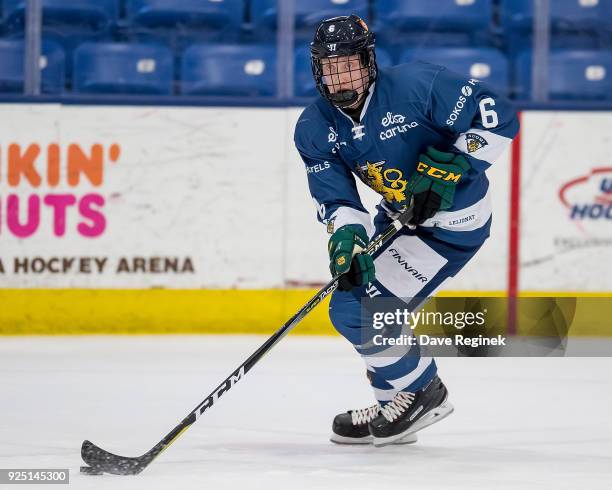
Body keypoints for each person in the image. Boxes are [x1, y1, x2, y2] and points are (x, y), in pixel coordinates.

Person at [294, 15, 519, 447]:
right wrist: (346, 238)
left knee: (356, 311)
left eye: (350, 63)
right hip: (397, 221)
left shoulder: (420, 85)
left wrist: (456, 164)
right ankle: (394, 407)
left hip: (452, 226)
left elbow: (498, 117)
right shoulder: (314, 126)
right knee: (363, 305)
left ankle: (422, 391)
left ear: (369, 60)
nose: (340, 75)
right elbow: (338, 200)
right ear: (316, 68)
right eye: (329, 65)